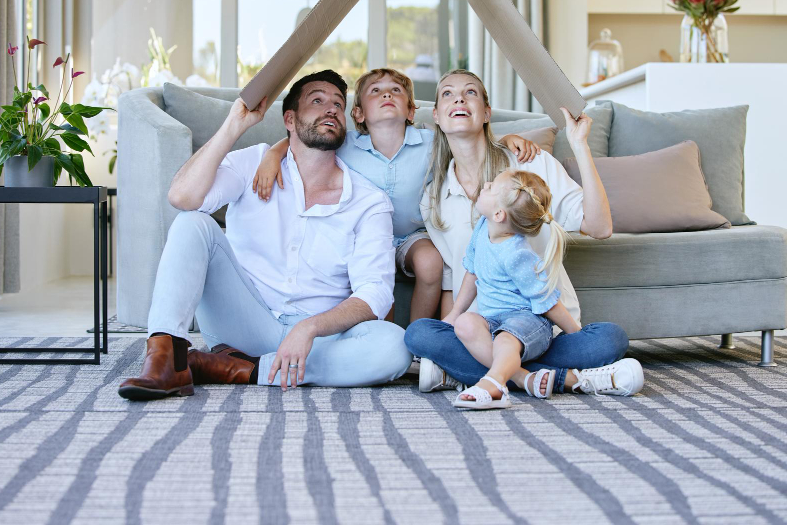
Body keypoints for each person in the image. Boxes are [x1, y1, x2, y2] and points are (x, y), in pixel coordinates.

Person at [118, 70, 412, 401]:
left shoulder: (369, 202)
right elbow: (183, 197)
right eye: (317, 100)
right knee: (192, 222)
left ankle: (238, 369)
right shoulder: (253, 162)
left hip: (317, 340)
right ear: (289, 118)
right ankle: (166, 360)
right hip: (243, 322)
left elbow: (375, 293)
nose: (331, 108)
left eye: (338, 104)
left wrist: (310, 327)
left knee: (394, 347)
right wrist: (234, 125)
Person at [405, 69, 645, 398]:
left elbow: (599, 226)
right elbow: (455, 277)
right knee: (419, 334)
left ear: (487, 113)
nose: (459, 98)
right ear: (436, 115)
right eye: (447, 93)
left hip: (546, 329)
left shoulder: (530, 164)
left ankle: (470, 373)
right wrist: (450, 322)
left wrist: (580, 147)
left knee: (610, 338)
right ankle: (550, 378)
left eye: (471, 92)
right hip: (483, 331)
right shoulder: (432, 201)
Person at [251, 68, 541, 322]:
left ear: (411, 110)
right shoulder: (346, 144)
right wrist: (272, 156)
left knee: (430, 263)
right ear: (359, 113)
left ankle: (418, 338)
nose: (386, 95)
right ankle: (383, 334)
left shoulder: (430, 142)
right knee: (374, 274)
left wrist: (506, 139)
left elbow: (470, 137)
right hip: (362, 235)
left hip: (412, 236)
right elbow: (303, 139)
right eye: (375, 91)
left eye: (396, 91)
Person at [444, 170, 643, 409]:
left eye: (491, 187)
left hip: (527, 322)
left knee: (506, 340)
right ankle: (526, 378)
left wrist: (577, 335)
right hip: (492, 321)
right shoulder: (482, 227)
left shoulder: (517, 254)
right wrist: (455, 314)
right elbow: (472, 269)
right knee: (463, 323)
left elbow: (546, 301)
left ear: (498, 214)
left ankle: (494, 382)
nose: (485, 184)